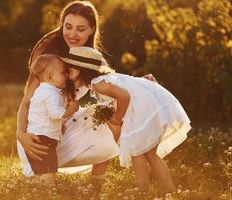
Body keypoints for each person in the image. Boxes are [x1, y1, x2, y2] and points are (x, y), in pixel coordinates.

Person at [16, 0, 155, 185]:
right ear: (61, 25)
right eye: (68, 27)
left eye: (80, 29)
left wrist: (138, 83)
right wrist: (20, 134)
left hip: (61, 130)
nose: (72, 34)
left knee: (108, 112)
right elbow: (27, 101)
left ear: (91, 30)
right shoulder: (49, 59)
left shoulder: (89, 58)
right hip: (38, 137)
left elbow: (111, 81)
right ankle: (41, 175)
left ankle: (96, 184)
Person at [60, 46, 191, 192]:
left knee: (137, 154)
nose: (67, 76)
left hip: (142, 113)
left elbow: (124, 96)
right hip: (148, 109)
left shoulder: (98, 83)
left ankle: (143, 193)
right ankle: (170, 190)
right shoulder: (103, 79)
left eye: (70, 71)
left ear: (82, 70)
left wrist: (117, 118)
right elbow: (128, 89)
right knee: (150, 155)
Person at [25, 54, 79, 184]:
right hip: (44, 139)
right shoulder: (51, 94)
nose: (67, 76)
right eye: (63, 73)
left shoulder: (41, 91)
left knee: (40, 172)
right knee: (48, 172)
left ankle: (38, 193)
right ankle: (48, 194)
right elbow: (55, 114)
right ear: (50, 77)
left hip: (35, 137)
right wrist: (72, 109)